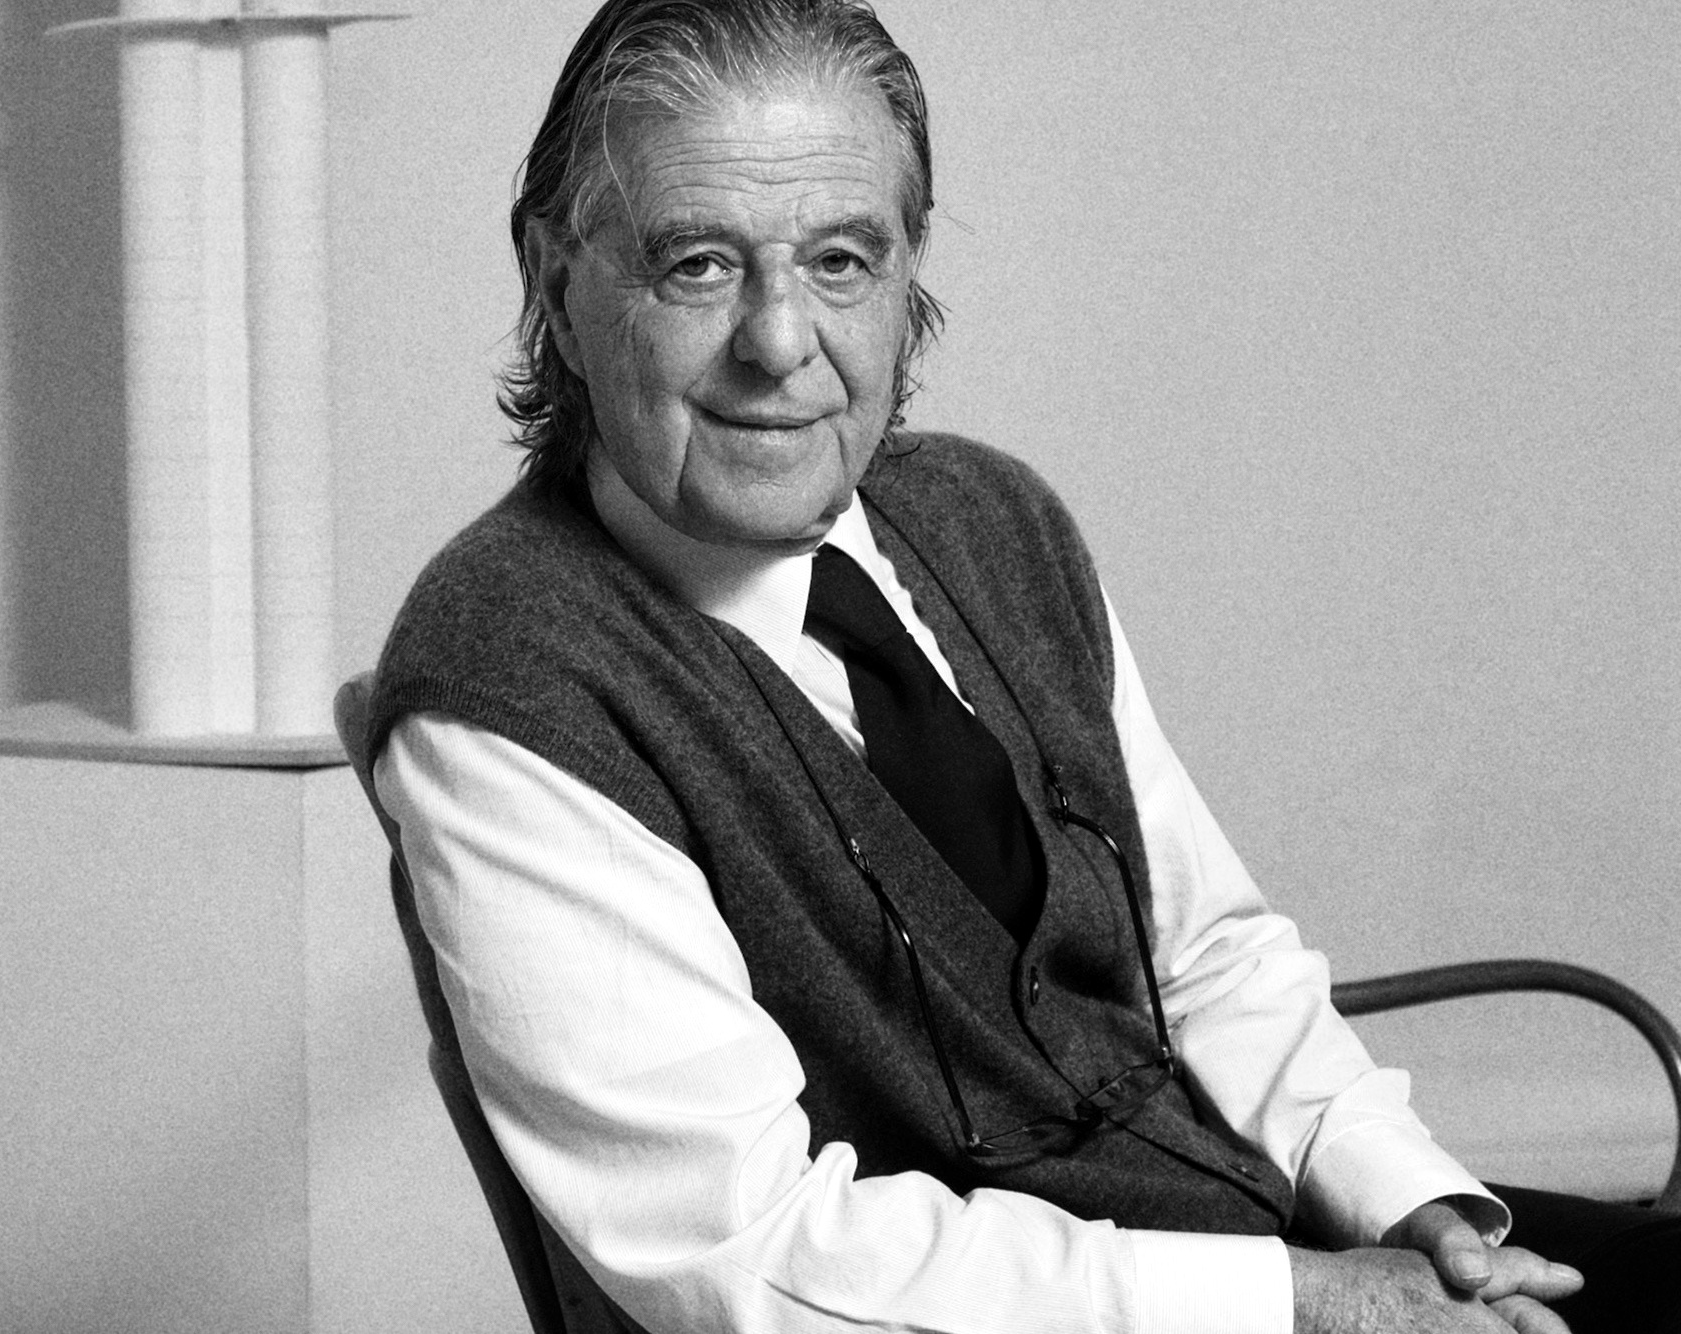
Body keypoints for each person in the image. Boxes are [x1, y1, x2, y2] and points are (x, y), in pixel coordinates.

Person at [353, 1, 1680, 1330]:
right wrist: (1306, 1303)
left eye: (841, 261)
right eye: (697, 265)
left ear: (907, 273)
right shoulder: (511, 681)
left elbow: (1202, 955)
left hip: (1246, 1234)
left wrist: (1410, 1206)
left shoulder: (993, 522)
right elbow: (744, 1251)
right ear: (557, 282)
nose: (779, 340)